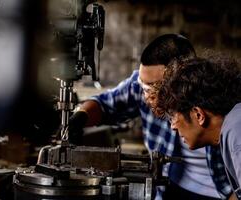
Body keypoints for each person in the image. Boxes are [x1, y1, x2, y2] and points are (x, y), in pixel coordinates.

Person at [68, 34, 234, 199]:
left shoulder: (219, 102)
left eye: (154, 87)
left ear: (181, 79)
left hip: (220, 192)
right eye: (143, 86)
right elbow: (104, 104)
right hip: (169, 186)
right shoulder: (142, 85)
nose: (146, 96)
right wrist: (81, 117)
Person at [154, 56, 241, 199]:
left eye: (174, 116)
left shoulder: (236, 133)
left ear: (198, 115)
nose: (173, 126)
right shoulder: (231, 126)